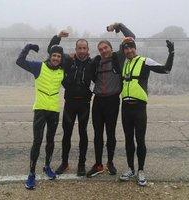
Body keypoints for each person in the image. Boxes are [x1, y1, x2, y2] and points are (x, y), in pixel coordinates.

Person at [117, 37, 174, 186]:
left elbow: (166, 69)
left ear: (135, 48)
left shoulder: (145, 61)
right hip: (125, 107)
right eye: (126, 48)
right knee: (128, 140)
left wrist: (171, 52)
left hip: (139, 108)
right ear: (123, 50)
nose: (129, 51)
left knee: (140, 139)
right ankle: (130, 168)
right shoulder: (124, 62)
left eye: (131, 48)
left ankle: (141, 170)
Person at [86, 23, 135, 178]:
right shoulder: (96, 61)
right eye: (100, 49)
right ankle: (98, 164)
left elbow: (131, 38)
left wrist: (119, 25)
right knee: (97, 134)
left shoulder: (118, 57)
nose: (103, 51)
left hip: (113, 101)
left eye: (105, 48)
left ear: (111, 48)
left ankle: (110, 162)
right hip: (98, 101)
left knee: (111, 134)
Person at [16, 43, 64, 189]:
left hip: (54, 111)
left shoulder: (62, 71)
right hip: (40, 110)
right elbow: (20, 61)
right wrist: (28, 47)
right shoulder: (39, 67)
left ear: (61, 59)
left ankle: (47, 166)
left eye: (59, 56)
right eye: (54, 55)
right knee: (37, 141)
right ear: (50, 56)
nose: (56, 58)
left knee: (50, 141)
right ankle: (31, 174)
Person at [47, 31, 94, 176]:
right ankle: (65, 163)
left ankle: (81, 164)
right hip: (70, 103)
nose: (81, 51)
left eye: (84, 48)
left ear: (87, 50)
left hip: (85, 104)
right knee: (66, 134)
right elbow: (51, 50)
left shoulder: (93, 63)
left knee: (83, 134)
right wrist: (58, 37)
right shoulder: (68, 60)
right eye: (79, 48)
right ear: (75, 49)